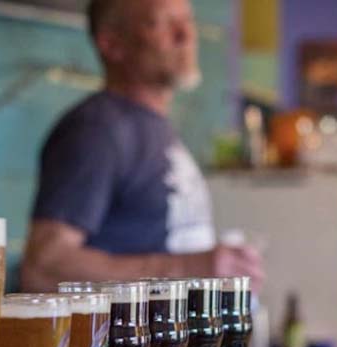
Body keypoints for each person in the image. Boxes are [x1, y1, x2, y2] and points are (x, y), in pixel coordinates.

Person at [21, 0, 263, 292]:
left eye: (187, 20)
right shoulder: (96, 130)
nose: (186, 35)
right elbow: (43, 268)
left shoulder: (154, 126)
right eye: (161, 23)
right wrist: (187, 269)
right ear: (112, 44)